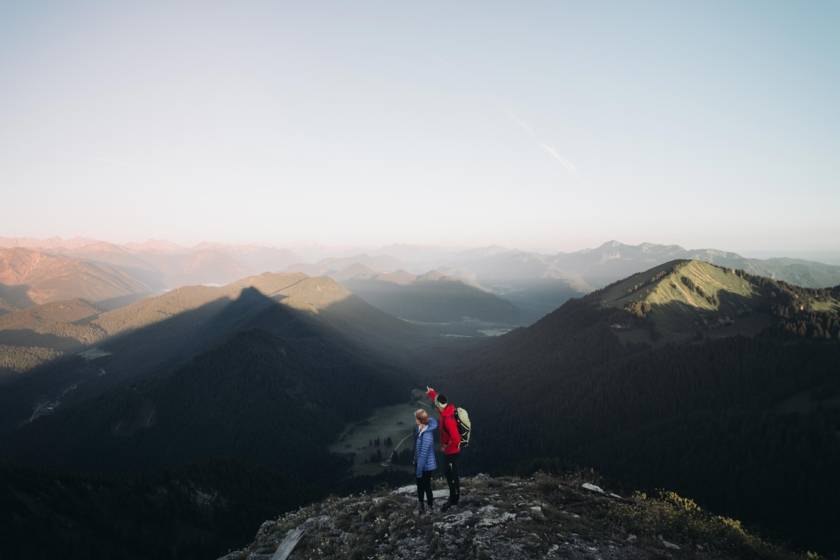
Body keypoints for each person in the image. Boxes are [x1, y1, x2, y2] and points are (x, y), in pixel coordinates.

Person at [425, 385, 461, 509]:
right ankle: (453, 496)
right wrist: (431, 393)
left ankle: (454, 499)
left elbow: (456, 439)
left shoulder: (448, 419)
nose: (435, 406)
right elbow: (437, 398)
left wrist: (446, 446)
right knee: (448, 472)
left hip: (452, 452)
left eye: (436, 404)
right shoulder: (446, 409)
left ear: (440, 405)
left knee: (451, 474)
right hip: (450, 451)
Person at [413, 408, 437, 514]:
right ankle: (421, 505)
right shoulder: (421, 429)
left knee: (426, 485)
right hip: (420, 464)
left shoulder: (427, 434)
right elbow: (417, 449)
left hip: (426, 466)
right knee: (420, 485)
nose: (415, 420)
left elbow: (423, 454)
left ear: (419, 420)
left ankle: (430, 506)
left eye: (416, 418)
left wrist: (418, 469)